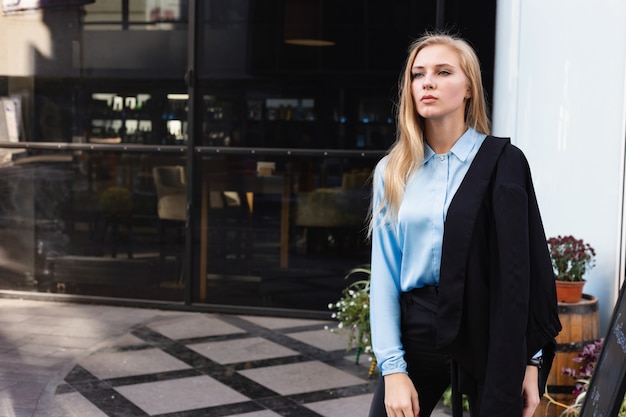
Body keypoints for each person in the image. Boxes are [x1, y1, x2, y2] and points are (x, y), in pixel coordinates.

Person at [367, 32, 562, 417]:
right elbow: (386, 274)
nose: (427, 82)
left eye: (443, 72)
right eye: (418, 74)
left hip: (489, 329)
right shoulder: (393, 171)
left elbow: (526, 271)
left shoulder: (504, 163)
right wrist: (393, 370)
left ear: (469, 86)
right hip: (419, 327)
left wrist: (531, 361)